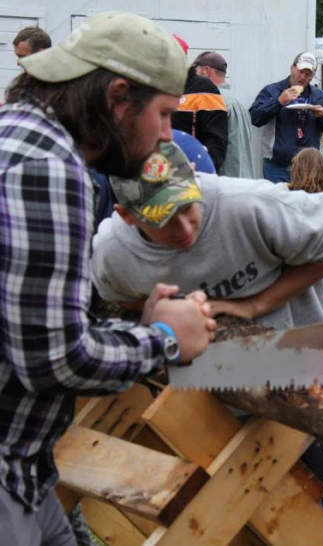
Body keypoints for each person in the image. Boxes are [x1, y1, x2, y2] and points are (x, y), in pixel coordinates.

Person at [91, 143, 323, 546]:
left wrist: (255, 304)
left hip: (320, 377)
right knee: (250, 524)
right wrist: (155, 316)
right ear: (125, 216)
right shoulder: (113, 254)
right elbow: (114, 301)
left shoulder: (249, 205)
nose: (184, 229)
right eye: (163, 220)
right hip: (220, 400)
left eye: (186, 207)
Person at [0, 12, 215, 546]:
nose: (166, 136)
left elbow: (30, 324)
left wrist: (128, 330)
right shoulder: (47, 166)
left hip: (26, 474)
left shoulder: (16, 134)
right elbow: (53, 359)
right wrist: (164, 340)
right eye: (164, 115)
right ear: (119, 96)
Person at [249, 52, 323, 183]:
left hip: (309, 168)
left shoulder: (320, 97)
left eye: (308, 74)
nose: (302, 77)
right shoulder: (272, 91)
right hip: (277, 167)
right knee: (278, 204)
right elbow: (254, 118)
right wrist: (278, 102)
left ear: (313, 76)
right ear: (292, 68)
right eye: (300, 71)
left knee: (306, 204)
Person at [192, 51, 256, 178]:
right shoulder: (238, 101)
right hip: (245, 181)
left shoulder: (214, 100)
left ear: (206, 71)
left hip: (226, 183)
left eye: (195, 71)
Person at [171, 36, 228, 173]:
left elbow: (216, 139)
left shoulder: (204, 88)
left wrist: (205, 169)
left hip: (193, 170)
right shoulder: (154, 87)